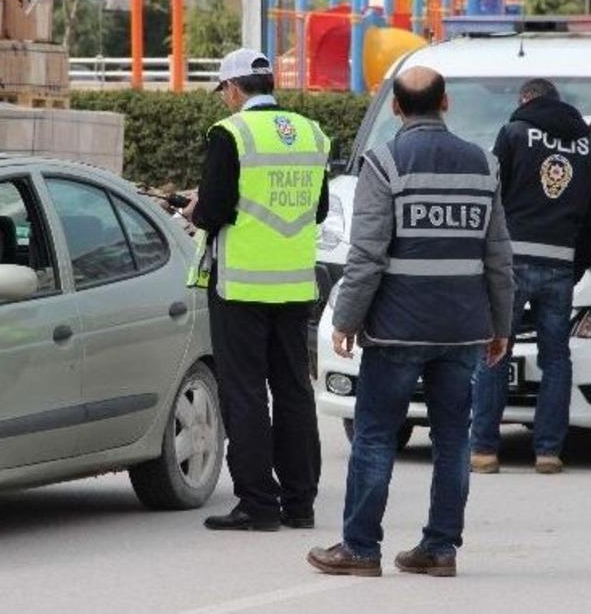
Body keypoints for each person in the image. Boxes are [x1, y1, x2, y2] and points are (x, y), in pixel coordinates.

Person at [307, 67, 514, 578]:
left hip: (397, 328)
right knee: (453, 440)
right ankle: (440, 549)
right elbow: (498, 257)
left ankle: (360, 548)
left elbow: (368, 254)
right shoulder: (483, 165)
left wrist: (347, 318)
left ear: (396, 109)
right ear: (445, 102)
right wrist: (501, 324)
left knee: (375, 437)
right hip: (463, 328)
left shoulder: (385, 163)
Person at [185, 48, 330, 531]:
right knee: (293, 390)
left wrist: (195, 209)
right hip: (294, 285)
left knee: (245, 393)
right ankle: (300, 504)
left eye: (224, 92)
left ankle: (258, 505)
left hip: (241, 286)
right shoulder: (311, 134)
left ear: (232, 89)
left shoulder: (230, 134)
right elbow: (320, 209)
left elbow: (214, 212)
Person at [469, 79, 591, 476]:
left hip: (512, 259)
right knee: (557, 360)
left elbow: (491, 196)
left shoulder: (515, 133)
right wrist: (580, 261)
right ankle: (549, 452)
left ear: (527, 100)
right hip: (560, 265)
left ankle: (484, 449)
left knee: (495, 350)